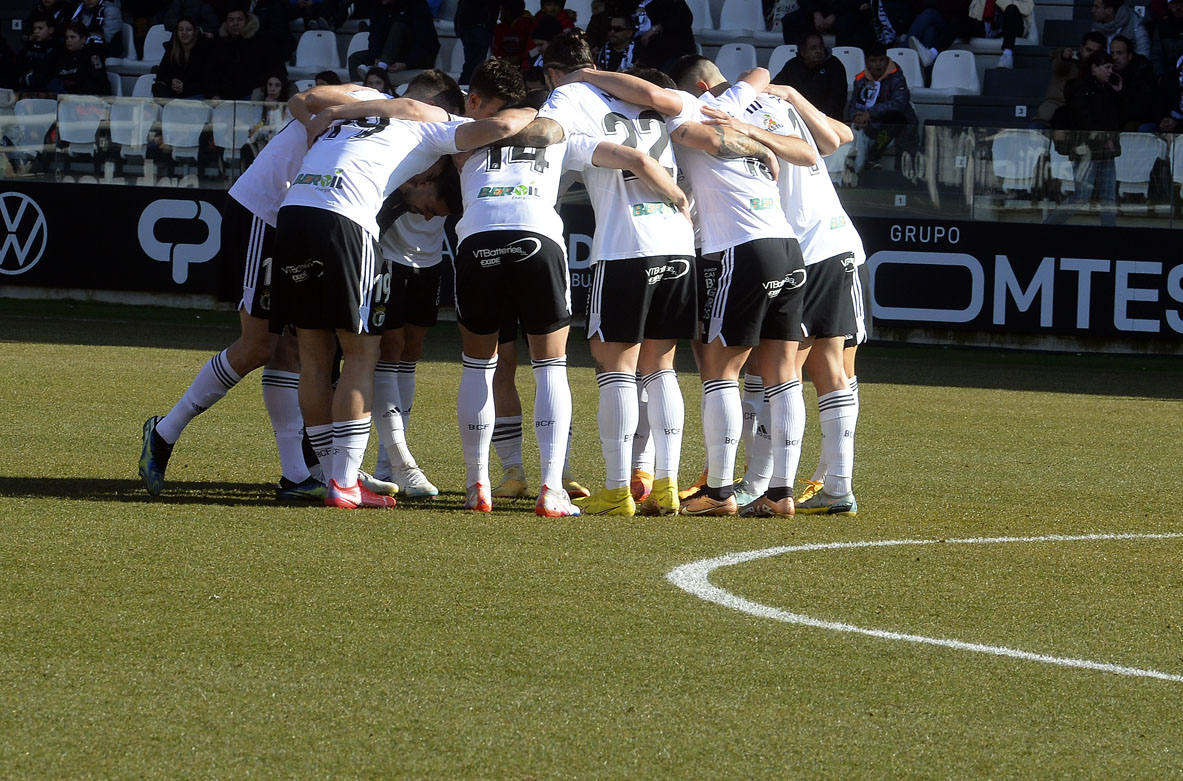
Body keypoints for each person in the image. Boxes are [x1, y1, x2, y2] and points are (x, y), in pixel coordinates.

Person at [279, 81, 536, 510]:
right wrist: (539, 110)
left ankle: (329, 474)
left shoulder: (362, 110)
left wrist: (329, 115)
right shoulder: (430, 128)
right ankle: (344, 482)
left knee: (314, 354)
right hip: (344, 216)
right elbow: (503, 125)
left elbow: (309, 98)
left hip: (294, 210)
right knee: (362, 353)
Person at [139, 83, 389, 500]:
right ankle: (164, 432)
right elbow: (302, 98)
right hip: (265, 210)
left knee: (293, 346)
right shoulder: (373, 99)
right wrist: (312, 122)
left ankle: (304, 474)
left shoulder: (393, 124)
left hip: (298, 218)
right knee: (259, 345)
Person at [529, 37, 697, 517]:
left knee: (615, 368)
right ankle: (666, 484)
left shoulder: (572, 103)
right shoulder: (646, 99)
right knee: (662, 367)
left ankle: (616, 487)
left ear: (553, 73)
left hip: (626, 248)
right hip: (677, 245)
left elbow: (553, 138)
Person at [710, 83, 864, 516]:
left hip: (809, 245)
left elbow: (817, 147)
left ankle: (767, 483)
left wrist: (749, 124)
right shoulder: (777, 103)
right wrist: (796, 96)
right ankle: (834, 484)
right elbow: (839, 136)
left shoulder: (745, 112)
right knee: (815, 368)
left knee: (781, 368)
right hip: (824, 244)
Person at [369, 69, 466, 497]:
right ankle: (398, 458)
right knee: (388, 351)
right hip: (388, 257)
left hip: (429, 262)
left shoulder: (452, 139)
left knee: (411, 351)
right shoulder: (395, 134)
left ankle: (387, 461)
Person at [1045, 50, 1122, 227]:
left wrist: (1118, 92)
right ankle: (1050, 225)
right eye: (1107, 67)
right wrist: (1102, 138)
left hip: (1105, 149)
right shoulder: (1080, 88)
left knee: (1108, 197)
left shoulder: (1107, 90)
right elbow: (1083, 118)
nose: (1110, 71)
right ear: (1094, 68)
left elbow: (1117, 117)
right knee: (1082, 195)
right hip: (1086, 148)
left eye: (1111, 67)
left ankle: (1110, 235)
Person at [845, 42, 918, 175]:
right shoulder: (860, 80)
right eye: (873, 61)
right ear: (867, 62)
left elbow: (899, 103)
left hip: (895, 126)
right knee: (855, 127)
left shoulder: (896, 76)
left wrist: (870, 113)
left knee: (895, 119)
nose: (878, 64)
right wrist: (856, 116)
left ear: (886, 60)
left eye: (881, 60)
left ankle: (873, 157)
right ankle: (852, 170)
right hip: (870, 125)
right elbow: (853, 105)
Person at [349, 0, 439, 84]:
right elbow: (374, 36)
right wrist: (376, 56)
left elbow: (427, 43)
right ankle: (359, 93)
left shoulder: (416, 5)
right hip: (388, 55)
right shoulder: (378, 6)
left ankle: (379, 70)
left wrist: (406, 64)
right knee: (355, 58)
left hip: (413, 55)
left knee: (398, 27)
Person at [210, 5, 282, 100]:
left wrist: (263, 90)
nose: (235, 23)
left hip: (253, 97)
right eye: (231, 20)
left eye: (239, 20)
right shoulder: (218, 44)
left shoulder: (261, 42)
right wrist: (214, 94)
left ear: (247, 21)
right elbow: (210, 73)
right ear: (226, 23)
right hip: (224, 99)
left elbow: (276, 68)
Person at [772, 31, 848, 120]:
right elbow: (777, 87)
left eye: (821, 47)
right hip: (797, 117)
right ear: (803, 52)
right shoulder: (792, 65)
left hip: (827, 120)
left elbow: (837, 100)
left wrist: (817, 117)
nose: (818, 51)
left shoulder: (835, 65)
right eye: (813, 48)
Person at [1036, 31, 1105, 127]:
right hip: (1052, 113)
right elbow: (1058, 67)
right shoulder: (1068, 62)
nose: (1090, 55)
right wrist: (1063, 57)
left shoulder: (1103, 71)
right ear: (1081, 48)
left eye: (1095, 52)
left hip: (1082, 119)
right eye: (1088, 50)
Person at [152, 17, 214, 99]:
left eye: (188, 30)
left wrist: (185, 87)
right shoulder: (171, 49)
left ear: (195, 32)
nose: (184, 33)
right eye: (181, 30)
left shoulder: (204, 50)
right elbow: (161, 75)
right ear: (176, 32)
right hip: (174, 94)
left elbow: (208, 80)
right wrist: (172, 82)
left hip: (195, 94)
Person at [632, 0, 696, 71]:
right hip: (641, 51)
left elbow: (685, 18)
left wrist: (655, 28)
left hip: (673, 50)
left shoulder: (671, 3)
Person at [966, 0, 1031, 69]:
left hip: (1013, 27)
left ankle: (1007, 55)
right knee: (958, 21)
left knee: (1011, 9)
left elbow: (1027, 8)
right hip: (987, 25)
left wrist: (1001, 1)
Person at [52, 20, 111, 94]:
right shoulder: (62, 55)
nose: (68, 40)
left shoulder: (93, 56)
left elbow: (99, 81)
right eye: (67, 38)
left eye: (72, 37)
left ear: (83, 39)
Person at [1111, 35, 1157, 128]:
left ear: (1130, 56)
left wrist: (1121, 92)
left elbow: (1141, 110)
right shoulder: (1109, 73)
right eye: (1112, 53)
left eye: (1119, 53)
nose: (1114, 57)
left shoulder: (1143, 73)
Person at [453, 0, 499, 84]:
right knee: (475, 65)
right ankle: (467, 88)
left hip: (469, 25)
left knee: (472, 64)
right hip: (479, 26)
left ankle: (465, 88)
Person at [17, 13, 61, 92]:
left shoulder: (56, 48)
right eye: (34, 28)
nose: (36, 31)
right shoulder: (30, 45)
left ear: (51, 30)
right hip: (25, 87)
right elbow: (19, 62)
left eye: (40, 28)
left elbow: (47, 72)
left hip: (45, 90)